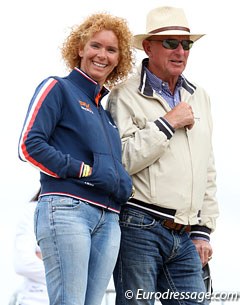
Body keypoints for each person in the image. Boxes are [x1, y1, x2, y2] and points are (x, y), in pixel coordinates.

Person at [18, 12, 134, 305]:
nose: (102, 55)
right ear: (80, 48)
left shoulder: (105, 115)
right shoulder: (58, 87)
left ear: (119, 59)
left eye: (111, 50)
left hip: (108, 219)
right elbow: (29, 145)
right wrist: (82, 170)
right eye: (95, 45)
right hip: (67, 209)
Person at [107, 6, 219, 305]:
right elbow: (122, 160)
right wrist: (168, 123)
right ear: (148, 47)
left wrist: (203, 231)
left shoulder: (200, 97)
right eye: (170, 43)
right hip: (138, 225)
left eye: (186, 44)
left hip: (186, 235)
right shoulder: (123, 95)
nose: (180, 51)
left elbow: (206, 167)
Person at [9, 189, 49, 305]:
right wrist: (69, 269)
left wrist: (47, 259)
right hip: (35, 300)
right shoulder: (34, 210)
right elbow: (23, 263)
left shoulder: (89, 213)